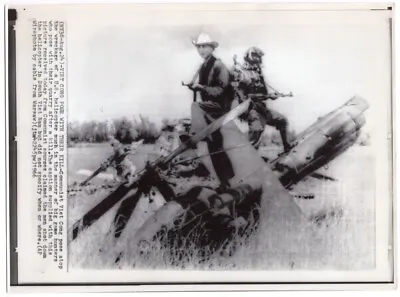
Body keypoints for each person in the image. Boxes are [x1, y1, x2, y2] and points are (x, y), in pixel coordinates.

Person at [182, 32, 235, 188]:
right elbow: (206, 89)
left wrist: (202, 88)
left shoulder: (218, 65)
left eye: (204, 46)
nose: (201, 50)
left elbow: (221, 90)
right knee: (215, 146)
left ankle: (196, 135)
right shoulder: (204, 65)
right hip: (210, 109)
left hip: (221, 107)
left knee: (195, 106)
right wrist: (195, 87)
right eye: (199, 47)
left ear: (212, 48)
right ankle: (225, 181)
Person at [231, 46, 293, 152]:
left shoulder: (258, 74)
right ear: (249, 58)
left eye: (258, 58)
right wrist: (267, 96)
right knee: (256, 130)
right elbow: (243, 96)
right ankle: (249, 159)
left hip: (261, 107)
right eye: (255, 57)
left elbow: (264, 93)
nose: (258, 60)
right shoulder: (241, 74)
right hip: (250, 109)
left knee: (282, 120)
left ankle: (287, 147)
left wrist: (272, 96)